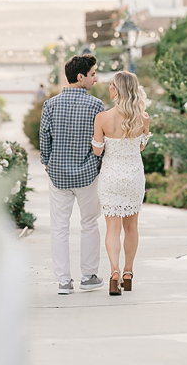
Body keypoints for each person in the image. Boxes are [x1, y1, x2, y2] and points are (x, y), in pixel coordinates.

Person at [39, 54, 105, 295]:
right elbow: (100, 141)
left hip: (58, 176)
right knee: (89, 223)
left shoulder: (50, 105)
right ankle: (88, 276)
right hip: (87, 174)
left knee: (59, 227)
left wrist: (48, 163)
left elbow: (44, 139)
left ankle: (64, 281)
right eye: (93, 74)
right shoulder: (96, 105)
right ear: (80, 77)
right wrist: (96, 163)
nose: (96, 79)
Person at [92, 71, 151, 296]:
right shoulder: (143, 118)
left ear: (117, 90)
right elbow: (141, 147)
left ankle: (114, 272)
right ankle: (128, 273)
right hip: (134, 176)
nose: (109, 88)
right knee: (132, 227)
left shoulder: (102, 118)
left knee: (113, 229)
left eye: (111, 85)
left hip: (111, 177)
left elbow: (98, 150)